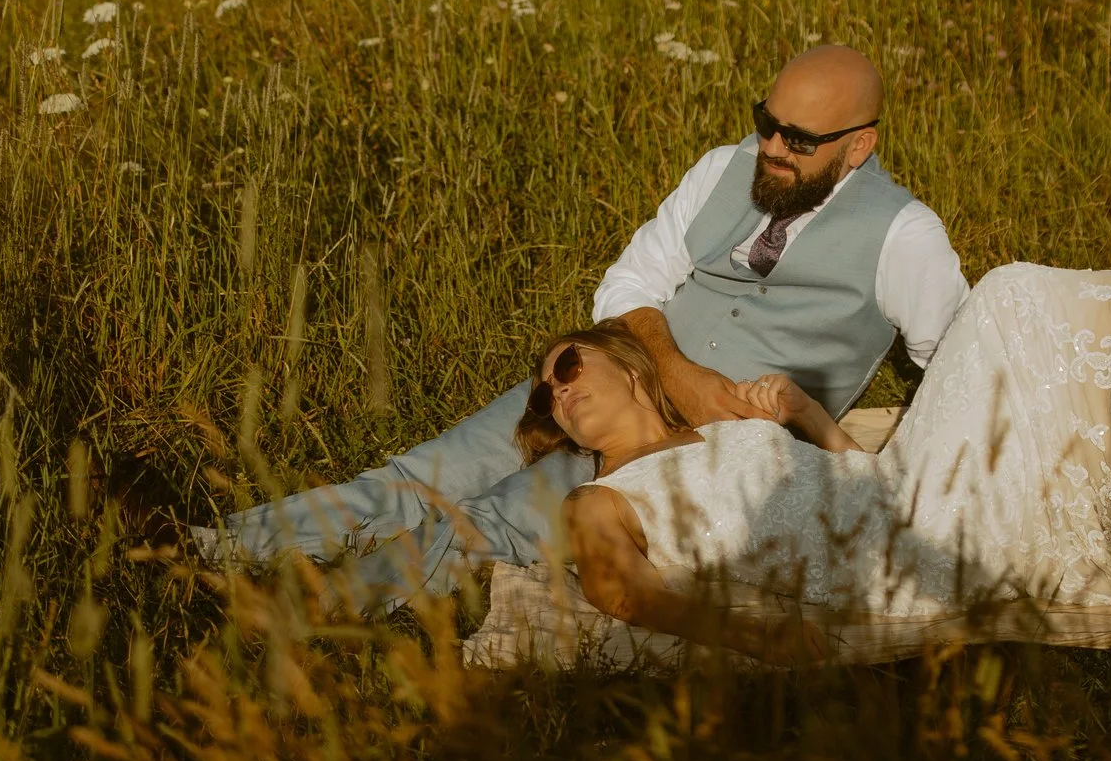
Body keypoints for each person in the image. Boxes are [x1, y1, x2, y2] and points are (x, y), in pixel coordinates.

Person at [188, 44, 970, 595]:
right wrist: (672, 368)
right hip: (604, 369)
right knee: (421, 475)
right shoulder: (722, 167)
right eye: (765, 120)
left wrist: (850, 454)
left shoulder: (903, 235)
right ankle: (205, 550)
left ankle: (295, 623)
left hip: (690, 452)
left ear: (859, 145)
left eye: (796, 140)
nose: (769, 146)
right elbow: (631, 279)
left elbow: (960, 364)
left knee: (485, 522)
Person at [547, 224, 1111, 664]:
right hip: (893, 563)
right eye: (549, 394)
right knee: (1022, 310)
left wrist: (801, 410)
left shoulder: (721, 432)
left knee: (1024, 308)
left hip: (896, 497)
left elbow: (850, 477)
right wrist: (761, 635)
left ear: (626, 368)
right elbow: (621, 590)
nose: (560, 389)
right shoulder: (601, 495)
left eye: (567, 365)